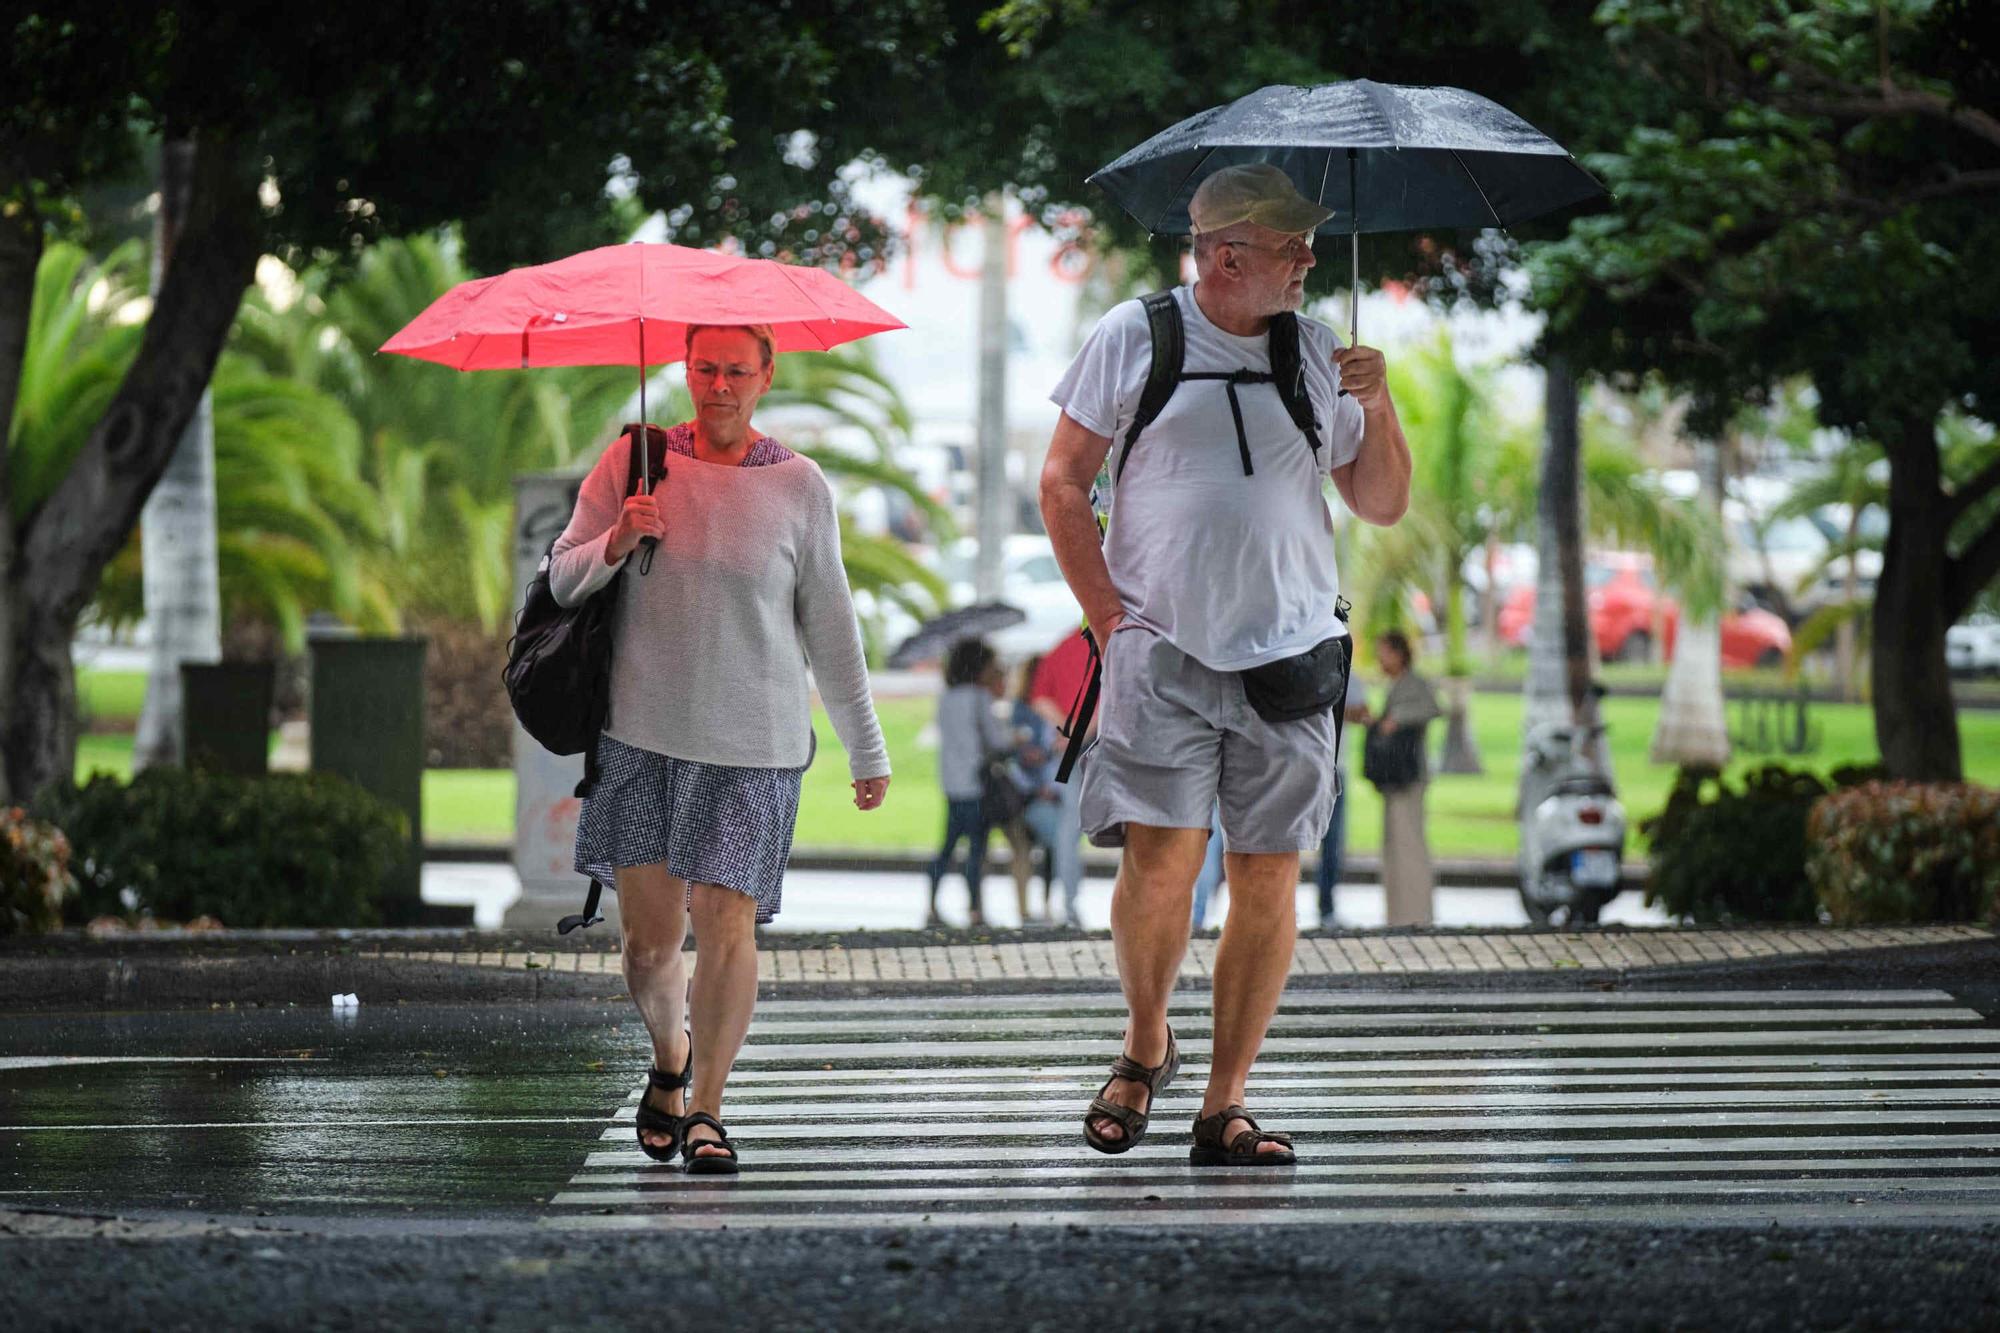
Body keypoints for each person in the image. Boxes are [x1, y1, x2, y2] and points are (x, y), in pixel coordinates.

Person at [1039, 163, 1412, 1165]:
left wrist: (1379, 406)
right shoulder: (1138, 335)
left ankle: (1224, 1102)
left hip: (1291, 655)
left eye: (1308, 246)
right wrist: (1108, 618)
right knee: (1160, 866)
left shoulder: (1314, 350)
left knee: (1266, 876)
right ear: (1223, 254)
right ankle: (1142, 1042)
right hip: (1158, 650)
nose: (1306, 261)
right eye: (1290, 245)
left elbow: (1376, 502)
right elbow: (1062, 480)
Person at [549, 323, 891, 1176]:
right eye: (705, 367)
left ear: (767, 375)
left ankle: (708, 1106)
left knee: (728, 923)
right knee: (650, 944)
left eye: (737, 369)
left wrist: (866, 748)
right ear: (685, 370)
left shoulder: (800, 487)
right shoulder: (633, 464)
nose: (720, 384)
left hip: (756, 746)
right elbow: (559, 579)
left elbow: (833, 626)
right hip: (642, 738)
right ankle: (671, 1053)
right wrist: (617, 538)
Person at [927, 638, 1012, 928]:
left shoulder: (946, 699)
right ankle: (975, 908)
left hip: (951, 782)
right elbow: (997, 741)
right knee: (976, 850)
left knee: (947, 846)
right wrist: (1017, 737)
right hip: (976, 783)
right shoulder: (979, 699)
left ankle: (931, 904)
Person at [1370, 629, 1442, 926]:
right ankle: (1398, 914)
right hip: (1394, 780)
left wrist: (1396, 719)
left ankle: (1415, 914)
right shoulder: (1397, 685)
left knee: (1409, 845)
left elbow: (1432, 708)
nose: (1380, 659)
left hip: (1408, 780)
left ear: (1399, 654)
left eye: (1384, 652)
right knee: (1394, 848)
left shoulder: (1414, 684)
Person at [1028, 631, 1094, 928]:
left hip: (1067, 749)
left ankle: (1069, 905)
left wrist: (1068, 729)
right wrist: (1082, 731)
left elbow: (1039, 698)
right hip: (1105, 746)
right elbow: (1114, 696)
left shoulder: (1062, 647)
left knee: (1070, 826)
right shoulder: (1112, 640)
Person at [1006, 654, 1063, 926]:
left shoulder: (1050, 708)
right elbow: (1018, 749)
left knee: (1047, 848)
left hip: (1048, 791)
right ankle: (1027, 908)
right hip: (1025, 792)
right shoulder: (1024, 708)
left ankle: (1041, 905)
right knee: (1025, 849)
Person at [1314, 685, 1375, 927]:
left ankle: (1326, 907)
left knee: (1332, 843)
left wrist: (1330, 709)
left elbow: (1364, 714)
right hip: (1304, 766)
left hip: (1335, 770)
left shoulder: (1347, 671)